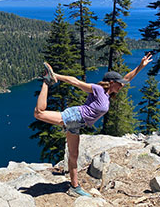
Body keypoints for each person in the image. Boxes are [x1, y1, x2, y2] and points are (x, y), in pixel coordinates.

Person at [34, 53, 153, 197]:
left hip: (77, 124)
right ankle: (46, 82)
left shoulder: (108, 95)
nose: (122, 85)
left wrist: (141, 66)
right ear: (111, 82)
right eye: (119, 83)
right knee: (39, 113)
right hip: (74, 116)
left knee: (74, 155)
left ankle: (74, 187)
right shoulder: (98, 89)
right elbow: (75, 82)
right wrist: (55, 76)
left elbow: (128, 78)